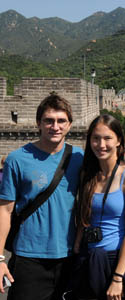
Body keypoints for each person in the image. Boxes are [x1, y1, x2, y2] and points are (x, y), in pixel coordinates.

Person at [0, 94, 84, 299]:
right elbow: (4, 210)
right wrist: (0, 258)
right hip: (29, 258)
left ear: (70, 124)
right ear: (38, 123)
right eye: (49, 120)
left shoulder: (79, 157)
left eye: (61, 121)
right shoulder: (17, 159)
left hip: (68, 256)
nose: (55, 126)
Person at [71, 115, 125, 300]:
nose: (101, 144)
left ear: (119, 140)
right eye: (95, 138)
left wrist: (118, 277)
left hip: (116, 261)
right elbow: (84, 216)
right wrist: (78, 246)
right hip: (90, 259)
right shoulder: (88, 175)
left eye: (107, 138)